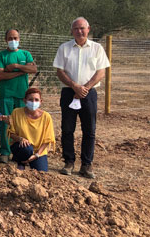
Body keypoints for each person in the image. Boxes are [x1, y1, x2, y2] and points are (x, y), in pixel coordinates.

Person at [53, 17, 109, 179]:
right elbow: (60, 71)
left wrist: (85, 88)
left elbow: (101, 72)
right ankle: (69, 162)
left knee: (89, 130)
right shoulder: (64, 48)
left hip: (89, 94)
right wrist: (74, 86)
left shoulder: (97, 48)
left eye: (82, 28)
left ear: (88, 29)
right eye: (76, 28)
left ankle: (86, 164)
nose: (79, 31)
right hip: (68, 92)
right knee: (67, 129)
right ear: (72, 31)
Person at [0, 29, 37, 163]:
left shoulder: (26, 54)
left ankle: (19, 152)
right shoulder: (1, 55)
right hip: (5, 94)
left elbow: (33, 69)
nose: (13, 40)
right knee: (5, 123)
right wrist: (21, 71)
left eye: (15, 38)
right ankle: (5, 152)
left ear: (19, 39)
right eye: (10, 38)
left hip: (22, 94)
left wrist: (15, 66)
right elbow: (1, 75)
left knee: (21, 124)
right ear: (5, 39)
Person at [8, 88, 55, 172]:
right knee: (27, 148)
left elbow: (48, 139)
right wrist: (20, 139)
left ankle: (32, 160)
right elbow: (11, 133)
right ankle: (21, 162)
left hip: (38, 151)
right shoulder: (16, 113)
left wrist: (37, 155)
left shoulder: (46, 117)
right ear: (25, 100)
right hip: (22, 147)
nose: (33, 102)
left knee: (42, 173)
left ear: (41, 101)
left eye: (36, 100)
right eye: (30, 99)